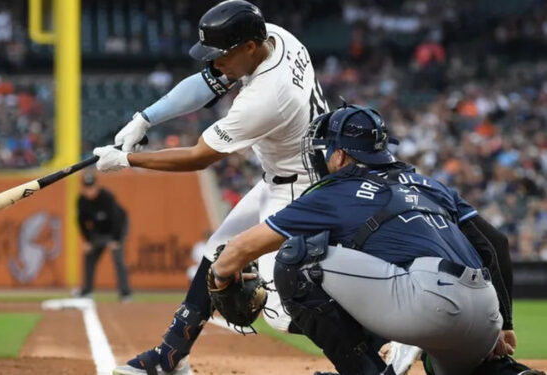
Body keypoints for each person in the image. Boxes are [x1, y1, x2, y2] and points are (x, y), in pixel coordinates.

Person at [93, 1, 374, 374]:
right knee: (216, 252)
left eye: (221, 54)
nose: (215, 63)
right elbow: (208, 83)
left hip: (300, 189)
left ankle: (383, 338)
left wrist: (126, 161)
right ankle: (170, 357)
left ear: (249, 48)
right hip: (283, 175)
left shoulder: (267, 97)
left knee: (280, 311)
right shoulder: (275, 37)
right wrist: (145, 119)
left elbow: (199, 157)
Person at [209, 104, 541, 375]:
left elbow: (244, 247)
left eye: (326, 151)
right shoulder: (429, 184)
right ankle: (507, 371)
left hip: (430, 305)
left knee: (298, 259)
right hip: (484, 312)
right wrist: (505, 324)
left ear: (340, 155)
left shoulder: (336, 189)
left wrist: (221, 276)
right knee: (443, 365)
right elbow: (494, 242)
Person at [77, 172, 132, 301]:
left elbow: (117, 218)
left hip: (116, 229)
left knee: (118, 259)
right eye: (87, 187)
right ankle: (86, 290)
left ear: (97, 185)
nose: (89, 191)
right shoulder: (82, 200)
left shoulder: (107, 197)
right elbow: (81, 222)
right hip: (98, 231)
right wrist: (87, 241)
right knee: (89, 257)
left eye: (91, 187)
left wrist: (116, 239)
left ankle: (125, 293)